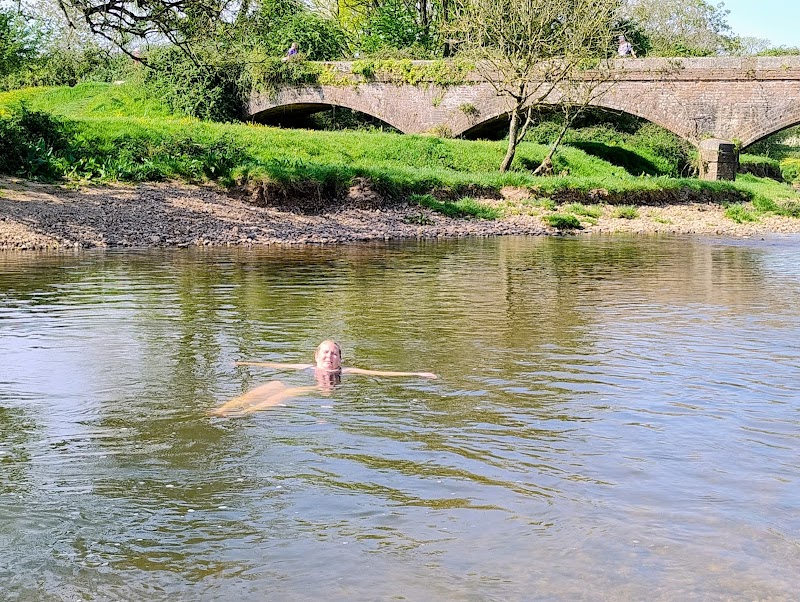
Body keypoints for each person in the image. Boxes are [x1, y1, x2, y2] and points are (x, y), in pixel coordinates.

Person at [211, 339, 437, 416]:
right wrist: (244, 363)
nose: (330, 356)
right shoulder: (307, 367)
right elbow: (274, 364)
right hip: (310, 385)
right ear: (317, 356)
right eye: (326, 352)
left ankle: (245, 413)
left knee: (287, 391)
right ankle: (226, 408)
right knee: (275, 383)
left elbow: (381, 374)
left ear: (340, 359)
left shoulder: (344, 372)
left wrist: (417, 373)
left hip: (323, 391)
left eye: (334, 353)